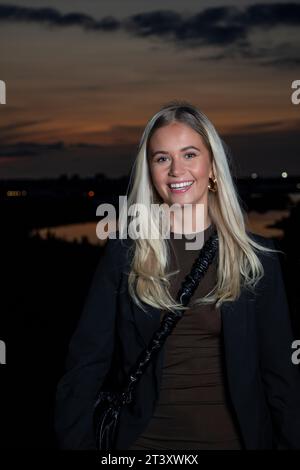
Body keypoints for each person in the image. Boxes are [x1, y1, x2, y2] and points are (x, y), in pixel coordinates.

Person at [54, 100, 300, 450]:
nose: (175, 170)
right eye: (162, 158)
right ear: (150, 171)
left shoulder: (255, 258)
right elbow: (85, 365)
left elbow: (281, 378)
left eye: (189, 155)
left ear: (212, 167)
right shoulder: (125, 253)